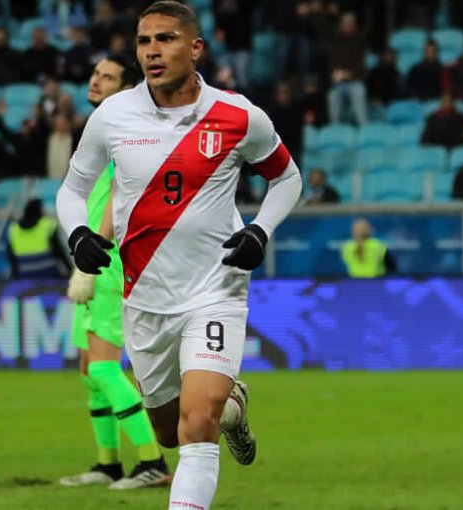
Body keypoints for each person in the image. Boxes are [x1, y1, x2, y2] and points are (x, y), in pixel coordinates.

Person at [55, 3, 302, 509]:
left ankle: (216, 414)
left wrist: (261, 229)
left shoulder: (237, 115)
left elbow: (287, 177)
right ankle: (234, 408)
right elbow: (72, 189)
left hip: (216, 289)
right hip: (145, 298)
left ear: (195, 48)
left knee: (196, 427)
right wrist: (77, 232)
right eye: (144, 41)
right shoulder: (114, 115)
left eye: (165, 39)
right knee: (168, 430)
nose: (152, 51)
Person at [57, 55, 175, 490]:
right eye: (94, 73)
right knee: (90, 370)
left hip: (107, 263)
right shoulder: (101, 127)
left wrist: (97, 254)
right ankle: (108, 463)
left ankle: (153, 462)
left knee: (105, 369)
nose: (95, 80)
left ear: (126, 89)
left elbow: (117, 196)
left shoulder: (123, 129)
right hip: (91, 259)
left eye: (107, 76)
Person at [6, 198, 71, 279]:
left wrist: (16, 277)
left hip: (24, 274)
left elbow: (11, 256)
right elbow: (58, 251)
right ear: (40, 210)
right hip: (48, 274)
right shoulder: (48, 225)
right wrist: (70, 269)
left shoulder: (13, 229)